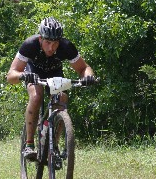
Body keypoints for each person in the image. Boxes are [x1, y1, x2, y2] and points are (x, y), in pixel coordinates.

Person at [6, 17, 96, 160]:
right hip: (33, 73)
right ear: (40, 39)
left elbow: (84, 68)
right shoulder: (30, 45)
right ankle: (29, 145)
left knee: (62, 99)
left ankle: (53, 146)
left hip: (55, 74)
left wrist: (88, 77)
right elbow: (10, 75)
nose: (51, 48)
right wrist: (23, 75)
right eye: (48, 42)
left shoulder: (66, 46)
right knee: (36, 97)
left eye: (55, 43)